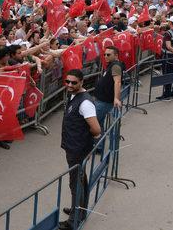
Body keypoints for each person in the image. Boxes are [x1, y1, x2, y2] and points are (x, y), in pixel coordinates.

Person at [59, 69, 101, 230]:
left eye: (73, 82)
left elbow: (96, 129)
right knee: (80, 180)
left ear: (82, 82)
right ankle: (79, 209)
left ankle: (74, 220)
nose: (69, 85)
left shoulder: (85, 102)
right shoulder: (74, 96)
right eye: (67, 82)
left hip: (78, 149)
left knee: (75, 183)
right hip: (74, 147)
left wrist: (82, 138)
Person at [93, 46, 123, 129]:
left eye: (108, 55)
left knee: (94, 126)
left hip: (104, 102)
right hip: (102, 101)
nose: (106, 56)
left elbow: (117, 82)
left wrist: (116, 98)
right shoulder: (111, 65)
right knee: (99, 126)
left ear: (116, 55)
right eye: (105, 54)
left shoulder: (115, 66)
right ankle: (99, 141)